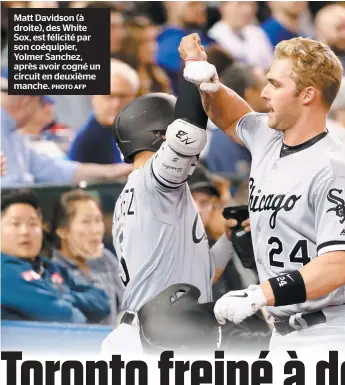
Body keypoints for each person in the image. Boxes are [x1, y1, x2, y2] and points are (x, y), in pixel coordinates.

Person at [180, 33, 345, 354]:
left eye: (275, 85)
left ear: (307, 95)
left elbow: (338, 265)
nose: (264, 93)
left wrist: (259, 294)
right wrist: (208, 81)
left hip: (335, 334)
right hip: (287, 334)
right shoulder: (269, 137)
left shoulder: (335, 169)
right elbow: (230, 116)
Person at [101, 81, 241, 353]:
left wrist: (229, 239)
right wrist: (194, 73)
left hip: (153, 331)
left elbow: (200, 277)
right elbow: (187, 136)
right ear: (161, 136)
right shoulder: (153, 185)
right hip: (155, 339)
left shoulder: (145, 193)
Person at [0, 76, 131, 188]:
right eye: (40, 102)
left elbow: (56, 170)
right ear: (26, 101)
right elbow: (11, 186)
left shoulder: (15, 136)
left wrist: (114, 171)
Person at [1, 190, 110, 323]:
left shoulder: (49, 267)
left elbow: (102, 303)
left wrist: (64, 297)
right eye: (15, 224)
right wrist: (64, 298)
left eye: (33, 224)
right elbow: (69, 317)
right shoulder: (5, 272)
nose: (25, 231)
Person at [50, 189, 124, 325]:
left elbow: (128, 305)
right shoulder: (53, 271)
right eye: (86, 222)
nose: (96, 229)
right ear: (63, 231)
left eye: (98, 220)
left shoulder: (106, 258)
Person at [69, 59, 140, 164]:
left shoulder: (138, 132)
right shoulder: (87, 142)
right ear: (93, 97)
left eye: (122, 96)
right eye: (109, 96)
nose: (116, 104)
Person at [207, 1, 273, 70]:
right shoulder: (213, 38)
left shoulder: (257, 32)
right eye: (240, 4)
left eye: (252, 4)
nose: (248, 10)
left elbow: (270, 65)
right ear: (223, 7)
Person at [117, 17, 172, 96]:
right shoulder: (123, 77)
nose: (152, 47)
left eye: (154, 40)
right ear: (132, 46)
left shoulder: (159, 75)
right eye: (144, 42)